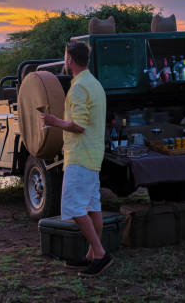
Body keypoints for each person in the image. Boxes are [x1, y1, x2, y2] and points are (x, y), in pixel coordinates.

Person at [41, 41, 112, 277]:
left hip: (80, 155)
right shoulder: (94, 83)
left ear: (70, 59)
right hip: (93, 154)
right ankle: (92, 254)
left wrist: (54, 121)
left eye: (65, 56)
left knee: (73, 206)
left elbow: (79, 125)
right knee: (92, 206)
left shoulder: (79, 87)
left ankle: (100, 253)